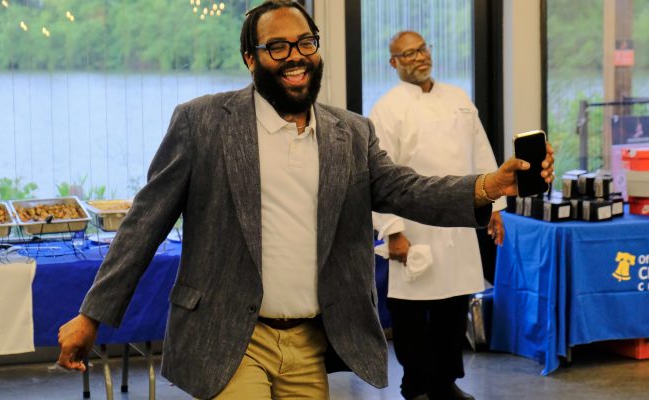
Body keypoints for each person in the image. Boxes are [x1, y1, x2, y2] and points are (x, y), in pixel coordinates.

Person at [56, 2, 554, 399]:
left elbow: (405, 189)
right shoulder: (202, 123)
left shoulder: (351, 132)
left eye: (305, 43)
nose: (295, 56)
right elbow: (145, 223)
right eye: (277, 47)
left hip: (308, 342)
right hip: (231, 335)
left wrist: (489, 185)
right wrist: (92, 314)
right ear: (251, 59)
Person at [370, 31, 508, 400]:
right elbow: (378, 174)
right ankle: (415, 386)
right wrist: (392, 230)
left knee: (453, 307)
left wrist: (493, 208)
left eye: (422, 49)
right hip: (413, 226)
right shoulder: (387, 108)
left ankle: (446, 381)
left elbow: (481, 153)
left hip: (461, 220)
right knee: (412, 315)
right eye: (408, 53)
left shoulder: (459, 98)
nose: (418, 57)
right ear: (394, 62)